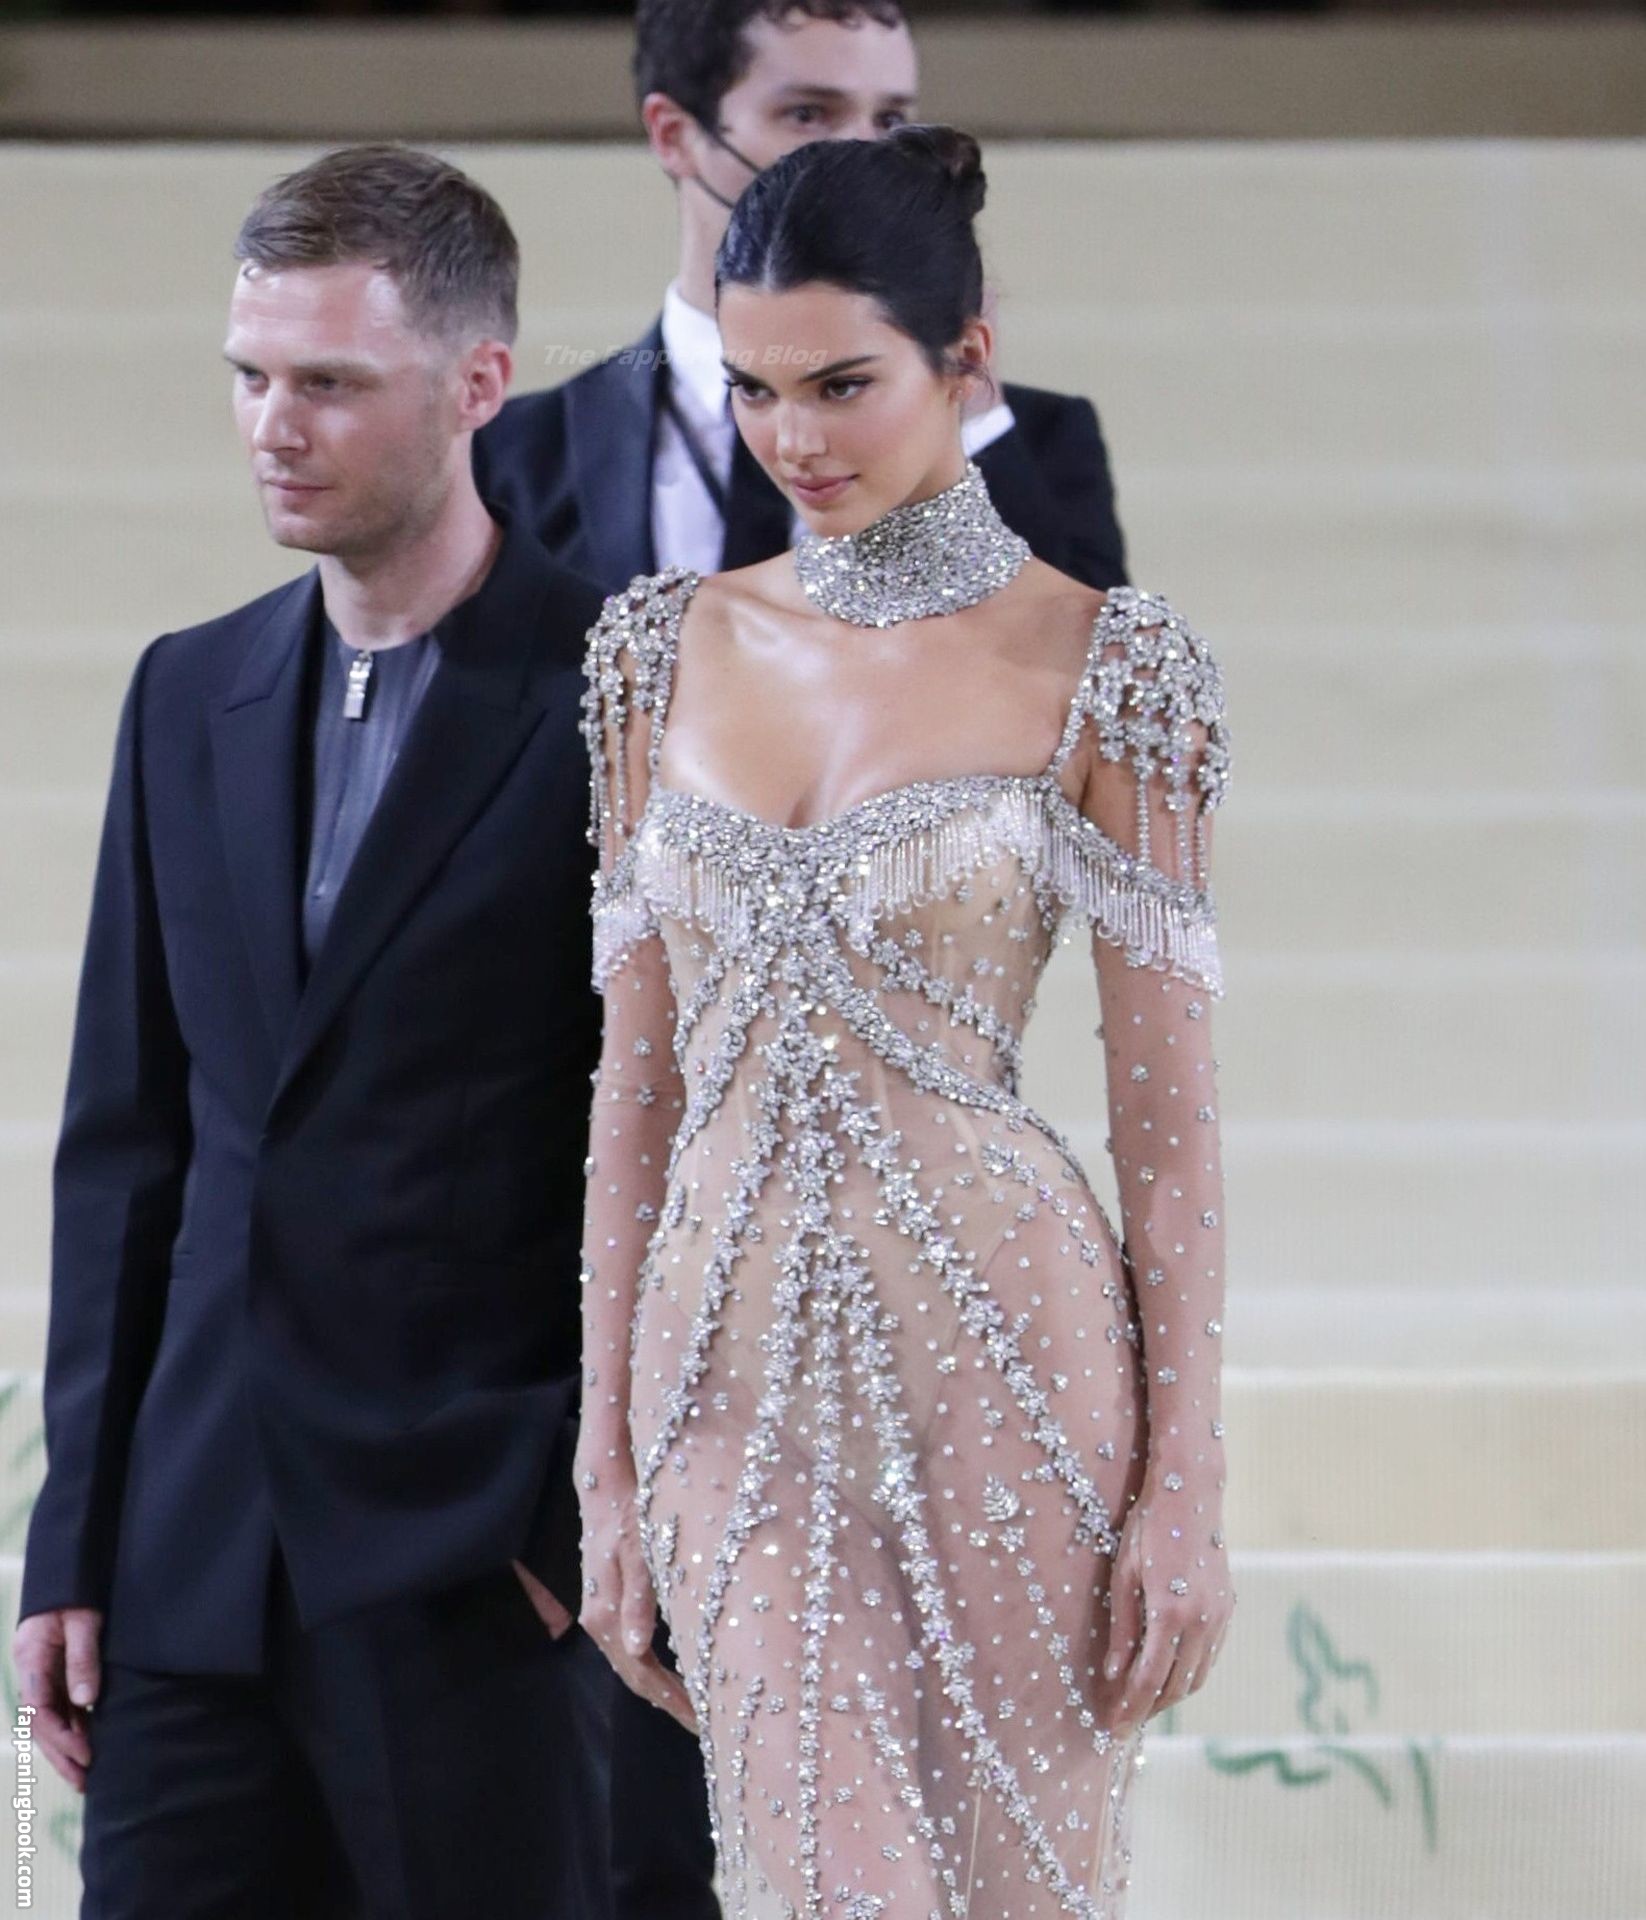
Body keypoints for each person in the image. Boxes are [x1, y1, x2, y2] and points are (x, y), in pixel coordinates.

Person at [575, 124, 1235, 1918]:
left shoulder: (1109, 665)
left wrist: (1186, 1483)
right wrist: (603, 1466)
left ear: (968, 359)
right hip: (718, 1388)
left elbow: (1169, 1129)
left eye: (841, 384)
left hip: (1010, 1369)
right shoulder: (652, 653)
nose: (792, 438)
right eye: (753, 389)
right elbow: (634, 1091)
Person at [10, 143, 615, 1918]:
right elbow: (128, 1145)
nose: (274, 427)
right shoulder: (184, 688)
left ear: (478, 383)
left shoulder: (625, 692)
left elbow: (664, 1150)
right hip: (188, 1567)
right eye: (251, 377)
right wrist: (74, 1539)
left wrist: (562, 1532)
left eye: (331, 383)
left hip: (468, 1566)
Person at [472, 0, 1128, 596]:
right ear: (674, 133)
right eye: (808, 114)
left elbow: (1080, 660)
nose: (864, 153)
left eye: (891, 120)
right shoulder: (513, 454)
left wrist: (968, 412)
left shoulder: (1037, 438)